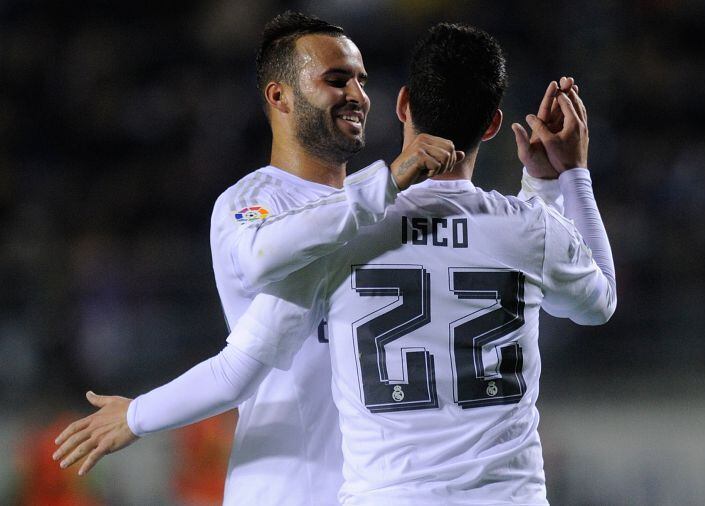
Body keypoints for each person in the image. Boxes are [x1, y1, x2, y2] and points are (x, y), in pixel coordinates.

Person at [54, 20, 598, 506]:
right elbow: (257, 277)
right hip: (286, 486)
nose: (359, 95)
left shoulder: (381, 215)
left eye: (362, 80)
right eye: (337, 80)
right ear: (280, 96)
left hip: (379, 485)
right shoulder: (255, 203)